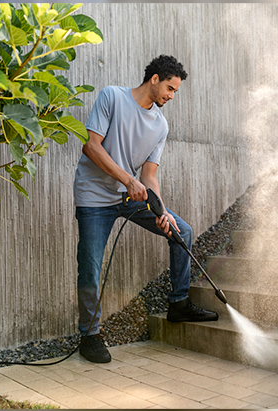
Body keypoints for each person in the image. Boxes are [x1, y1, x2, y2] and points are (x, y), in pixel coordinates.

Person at [72, 55, 218, 363]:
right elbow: (91, 146)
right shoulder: (112, 96)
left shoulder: (160, 125)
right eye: (169, 88)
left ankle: (178, 303)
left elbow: (149, 176)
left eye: (175, 91)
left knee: (182, 231)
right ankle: (90, 335)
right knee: (90, 268)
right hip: (95, 198)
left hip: (130, 198)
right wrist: (127, 179)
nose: (171, 95)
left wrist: (161, 211)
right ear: (154, 79)